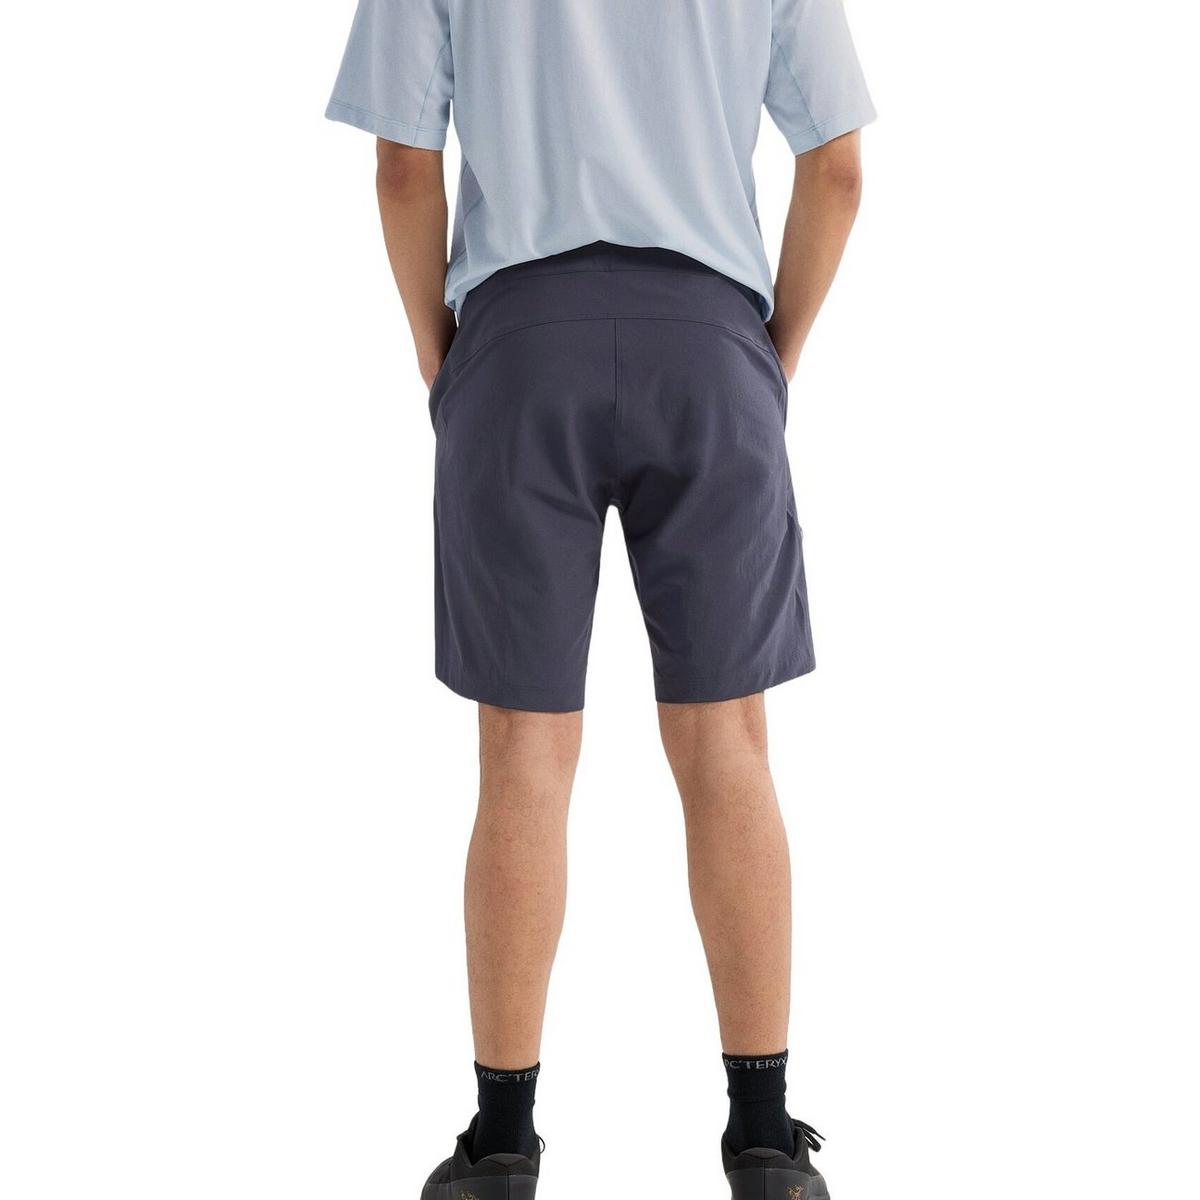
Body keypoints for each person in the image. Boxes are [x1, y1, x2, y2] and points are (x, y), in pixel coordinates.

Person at [326, 2, 874, 1196]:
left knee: (523, 750)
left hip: (518, 348)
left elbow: (402, 167)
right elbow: (836, 167)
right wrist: (765, 358)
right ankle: (766, 1138)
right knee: (728, 742)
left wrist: (442, 359)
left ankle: (502, 1144)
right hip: (710, 347)